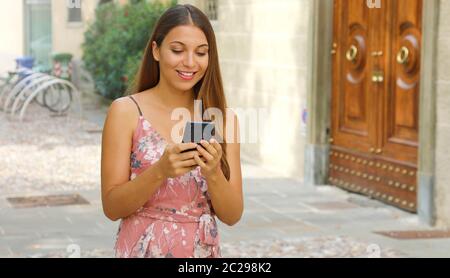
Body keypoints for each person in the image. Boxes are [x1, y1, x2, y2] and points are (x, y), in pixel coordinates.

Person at [101, 4, 243, 258]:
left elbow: (232, 216)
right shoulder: (126, 112)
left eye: (201, 52)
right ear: (156, 50)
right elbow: (112, 207)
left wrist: (213, 173)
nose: (190, 62)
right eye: (177, 50)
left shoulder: (222, 119)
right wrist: (161, 171)